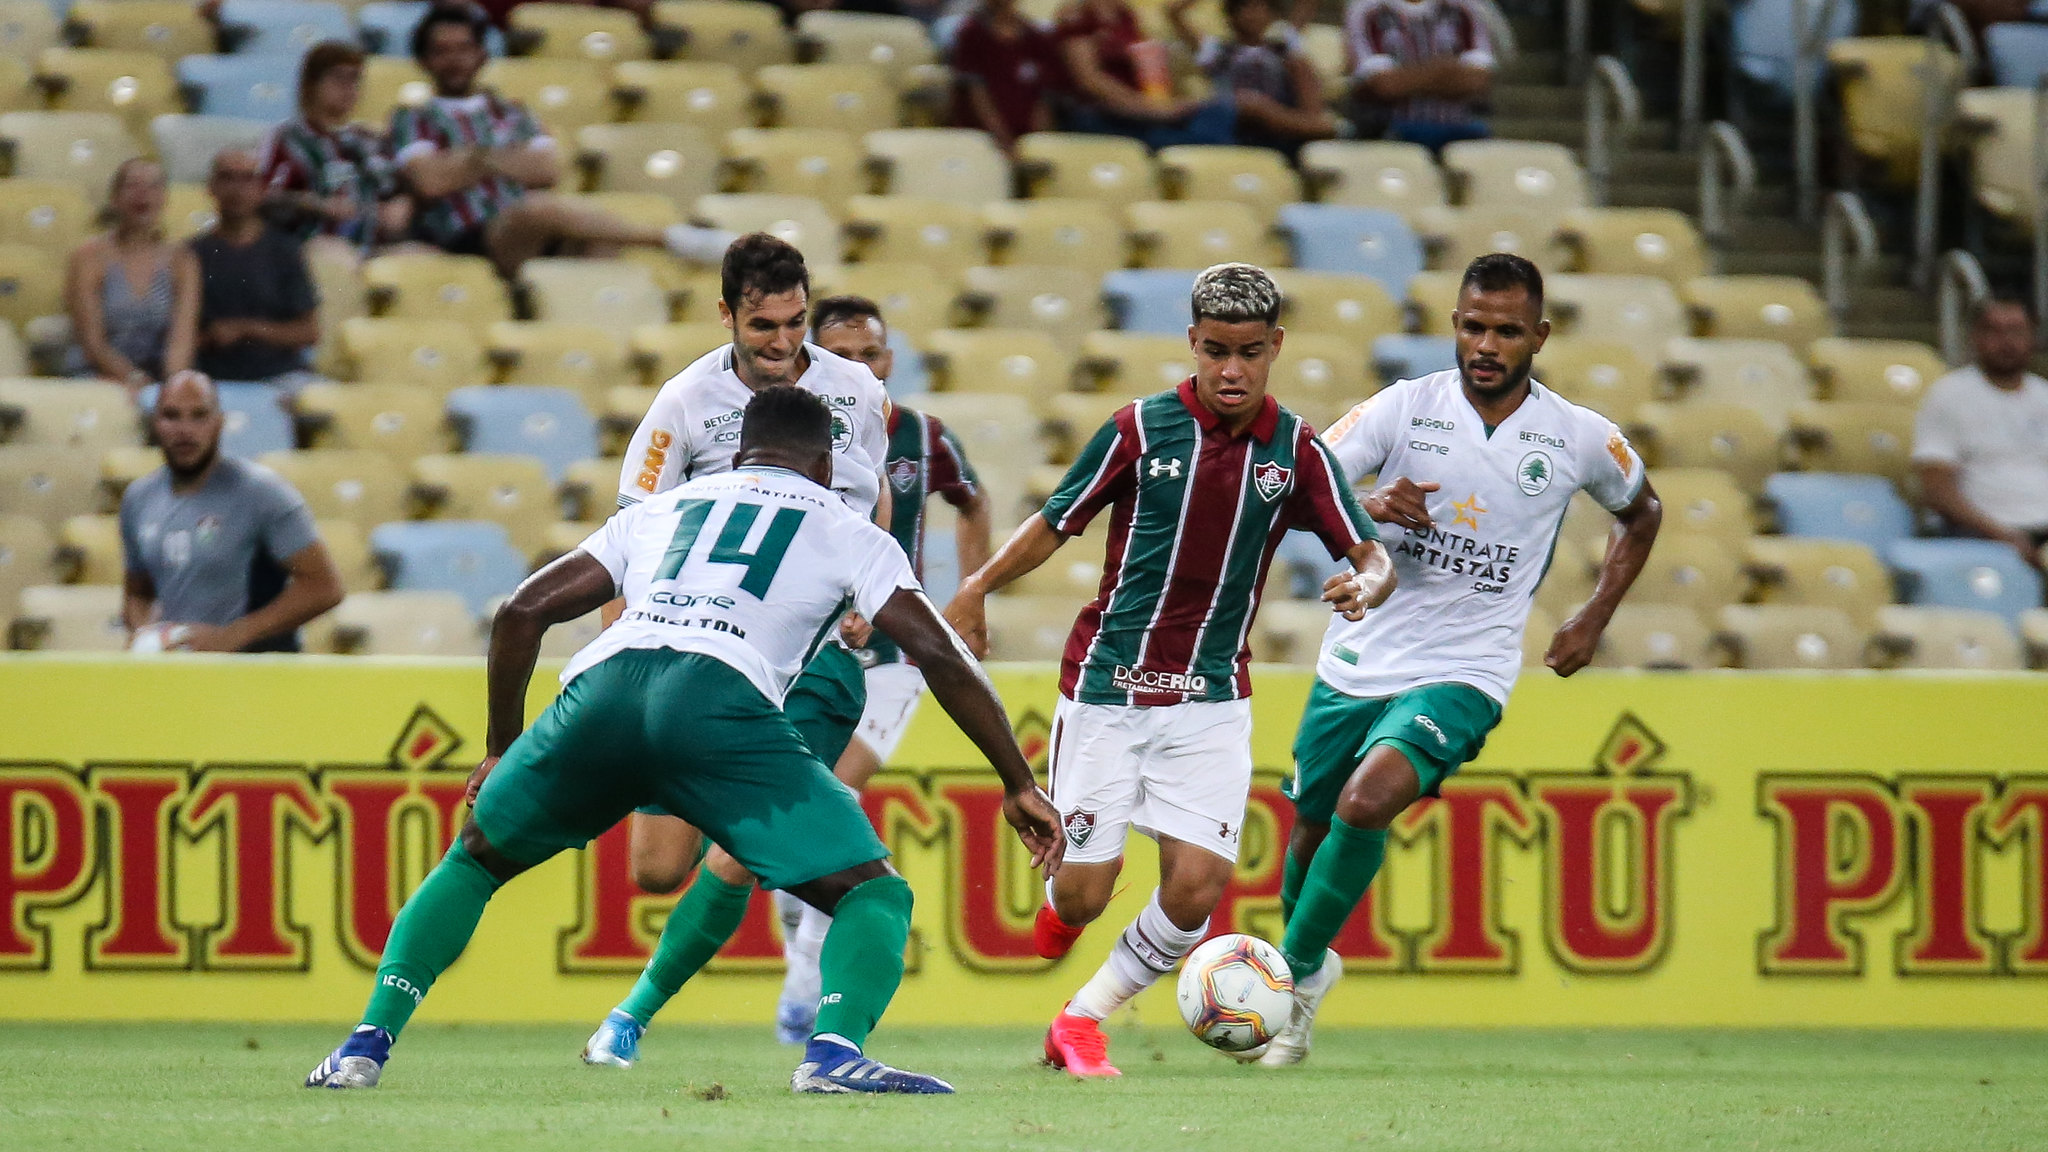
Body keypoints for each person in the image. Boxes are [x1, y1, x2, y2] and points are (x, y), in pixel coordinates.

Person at [304, 386, 1063, 1094]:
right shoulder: (847, 528)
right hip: (718, 706)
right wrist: (1016, 780)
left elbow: (521, 613)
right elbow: (937, 653)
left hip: (602, 690)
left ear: (738, 456)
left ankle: (365, 1044)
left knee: (475, 859)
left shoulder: (665, 508)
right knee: (871, 892)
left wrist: (503, 745)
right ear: (828, 465)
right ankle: (833, 1052)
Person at [943, 262, 1396, 1079]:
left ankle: (1080, 1022)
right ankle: (1063, 910)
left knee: (1197, 890)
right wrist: (976, 587)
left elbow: (1369, 551)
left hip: (1213, 696)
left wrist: (1363, 586)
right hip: (1111, 684)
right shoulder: (1137, 431)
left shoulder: (1295, 451)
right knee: (1084, 895)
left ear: (1276, 348)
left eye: (1250, 353)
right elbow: (1056, 522)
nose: (1232, 370)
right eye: (1216, 350)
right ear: (1191, 343)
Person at [1255, 253, 1662, 1066]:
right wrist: (1367, 502)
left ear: (1538, 336)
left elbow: (1642, 512)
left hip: (1467, 668)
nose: (1487, 344)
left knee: (1367, 803)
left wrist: (1591, 615)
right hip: (1361, 653)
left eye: (1507, 331)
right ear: (1455, 323)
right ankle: (1309, 972)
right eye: (1474, 326)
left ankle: (1286, 979)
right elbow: (1300, 479)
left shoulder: (1578, 435)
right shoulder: (1406, 408)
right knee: (1309, 822)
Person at [579, 234, 896, 1067]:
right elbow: (627, 533)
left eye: (796, 324)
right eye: (763, 326)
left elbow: (878, 491)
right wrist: (625, 632)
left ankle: (631, 1018)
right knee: (655, 870)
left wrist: (865, 593)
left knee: (735, 846)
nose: (785, 345)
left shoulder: (855, 392)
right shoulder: (681, 405)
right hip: (698, 652)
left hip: (813, 657)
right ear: (726, 313)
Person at [769, 294, 993, 1043]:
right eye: (844, 356)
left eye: (871, 354)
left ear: (888, 361)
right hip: (806, 652)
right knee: (796, 807)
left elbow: (971, 500)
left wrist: (969, 595)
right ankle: (801, 944)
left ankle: (805, 978)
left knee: (834, 791)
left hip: (893, 658)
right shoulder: (794, 440)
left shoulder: (922, 437)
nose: (861, 368)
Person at [390, 3, 732, 279]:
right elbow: (430, 181)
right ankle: (670, 238)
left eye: (464, 49)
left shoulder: (512, 112)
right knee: (536, 208)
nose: (454, 61)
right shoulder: (412, 117)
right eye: (442, 51)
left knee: (601, 247)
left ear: (481, 54)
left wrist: (472, 160)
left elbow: (547, 169)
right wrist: (505, 160)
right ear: (424, 60)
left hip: (535, 229)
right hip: (467, 236)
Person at [121, 371, 345, 653]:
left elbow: (324, 587)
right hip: (179, 677)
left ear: (220, 422)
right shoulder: (138, 499)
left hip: (254, 676)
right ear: (155, 423)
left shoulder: (262, 493)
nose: (185, 430)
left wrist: (232, 636)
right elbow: (137, 593)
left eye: (199, 415)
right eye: (172, 416)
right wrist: (144, 635)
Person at [1913, 298, 2048, 573]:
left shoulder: (2044, 396)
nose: (2006, 342)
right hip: (1979, 534)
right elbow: (1936, 488)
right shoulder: (1948, 395)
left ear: (2032, 337)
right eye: (1995, 331)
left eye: (2016, 332)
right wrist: (2002, 536)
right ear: (1975, 337)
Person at [64, 158, 199, 392]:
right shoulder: (89, 257)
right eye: (132, 185)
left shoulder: (182, 260)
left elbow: (181, 341)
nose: (143, 194)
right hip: (97, 372)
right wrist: (134, 380)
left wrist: (171, 387)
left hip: (155, 376)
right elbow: (93, 343)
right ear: (114, 198)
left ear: (164, 198)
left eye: (153, 186)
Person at [258, 40, 410, 248]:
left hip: (378, 245)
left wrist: (404, 205)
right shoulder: (288, 138)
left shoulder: (368, 139)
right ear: (311, 85)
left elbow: (395, 187)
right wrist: (316, 204)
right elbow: (265, 198)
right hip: (316, 243)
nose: (348, 88)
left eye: (354, 79)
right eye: (339, 78)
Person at [190, 150, 322, 385]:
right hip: (210, 377)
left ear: (262, 188)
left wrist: (246, 329)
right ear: (212, 187)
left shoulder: (285, 251)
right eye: (228, 178)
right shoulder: (192, 254)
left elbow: (308, 331)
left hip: (280, 375)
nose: (237, 189)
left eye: (247, 179)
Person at [1053, 0, 1238, 148]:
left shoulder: (1125, 15)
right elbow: (1090, 80)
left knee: (1218, 113)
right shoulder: (1078, 16)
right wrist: (1149, 109)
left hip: (1139, 113)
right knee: (1204, 139)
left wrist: (1165, 105)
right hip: (1104, 113)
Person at [1165, 0, 1342, 152]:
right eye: (1245, 7)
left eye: (1259, 7)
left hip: (1278, 126)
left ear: (1272, 14)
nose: (1252, 15)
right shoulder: (1217, 51)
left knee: (1300, 68)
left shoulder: (1283, 48)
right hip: (1233, 126)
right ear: (1231, 15)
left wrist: (1265, 112)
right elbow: (1174, 13)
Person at [1341, 0, 1495, 151]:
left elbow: (1477, 80)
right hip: (1392, 130)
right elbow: (1384, 85)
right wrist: (1447, 71)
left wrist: (1407, 77)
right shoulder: (1368, 10)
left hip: (1459, 128)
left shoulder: (1464, 8)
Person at [948, 0, 1062, 157]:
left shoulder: (1036, 38)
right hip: (982, 141)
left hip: (1027, 140)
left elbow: (1043, 102)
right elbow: (978, 97)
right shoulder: (971, 34)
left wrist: (1035, 143)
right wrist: (1005, 143)